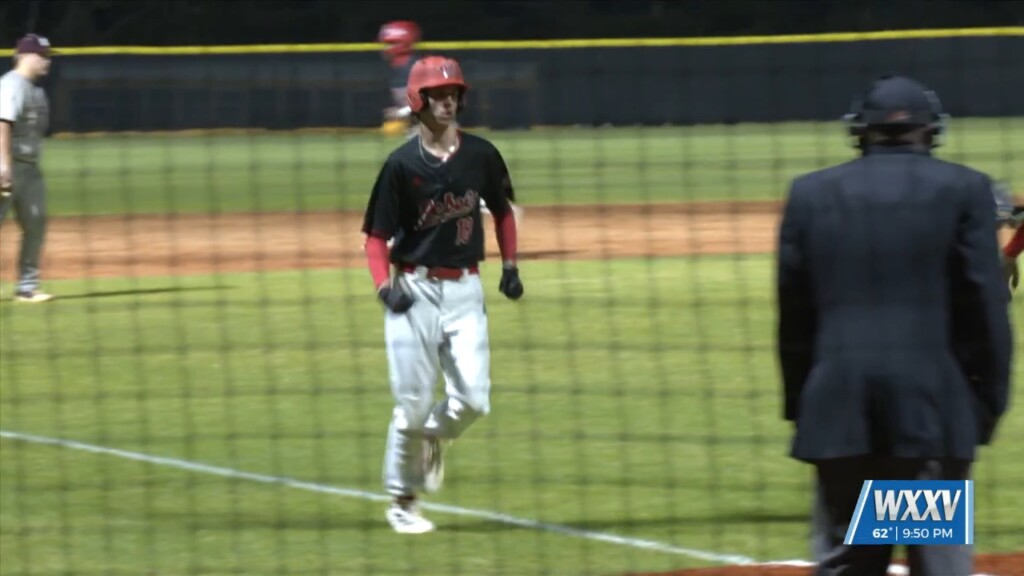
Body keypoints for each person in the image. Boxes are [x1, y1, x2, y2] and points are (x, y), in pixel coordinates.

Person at [776, 75, 1013, 576]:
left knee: (849, 564)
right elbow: (985, 311)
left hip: (839, 412)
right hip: (927, 414)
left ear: (859, 131)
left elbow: (794, 316)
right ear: (932, 131)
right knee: (936, 565)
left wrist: (805, 402)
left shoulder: (810, 194)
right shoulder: (964, 189)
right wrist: (985, 406)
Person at [360, 55, 524, 535]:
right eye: (438, 94)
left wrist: (510, 265)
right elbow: (375, 237)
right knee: (409, 406)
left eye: (453, 93)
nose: (448, 101)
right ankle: (402, 500)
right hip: (413, 291)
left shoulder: (481, 155)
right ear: (418, 101)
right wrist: (383, 289)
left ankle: (436, 436)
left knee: (474, 399)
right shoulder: (400, 165)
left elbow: (504, 211)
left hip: (466, 291)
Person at [0, 34, 53, 302]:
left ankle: (27, 287)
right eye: (43, 55)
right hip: (7, 167)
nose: (48, 61)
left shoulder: (37, 90)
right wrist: (3, 167)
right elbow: (2, 125)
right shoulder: (12, 85)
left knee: (36, 224)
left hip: (30, 170)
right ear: (26, 56)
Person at [377, 20, 421, 139]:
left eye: (389, 44)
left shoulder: (414, 68)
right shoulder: (398, 68)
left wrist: (399, 113)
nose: (384, 48)